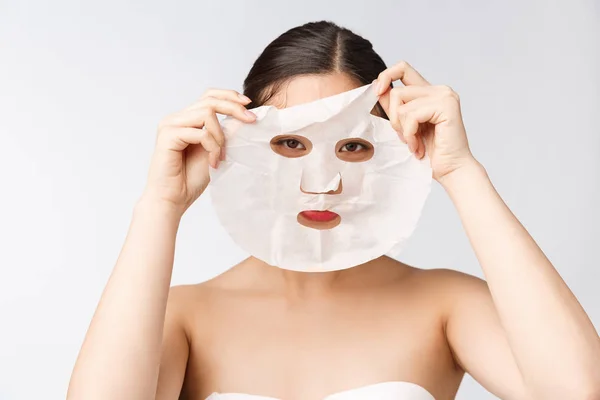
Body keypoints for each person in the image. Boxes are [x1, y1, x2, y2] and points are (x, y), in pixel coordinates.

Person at [66, 21, 600, 400]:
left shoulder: (445, 305)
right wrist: (159, 207)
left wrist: (461, 172)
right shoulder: (185, 316)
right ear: (241, 142)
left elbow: (577, 391)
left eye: (352, 146)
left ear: (390, 147)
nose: (321, 183)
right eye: (291, 145)